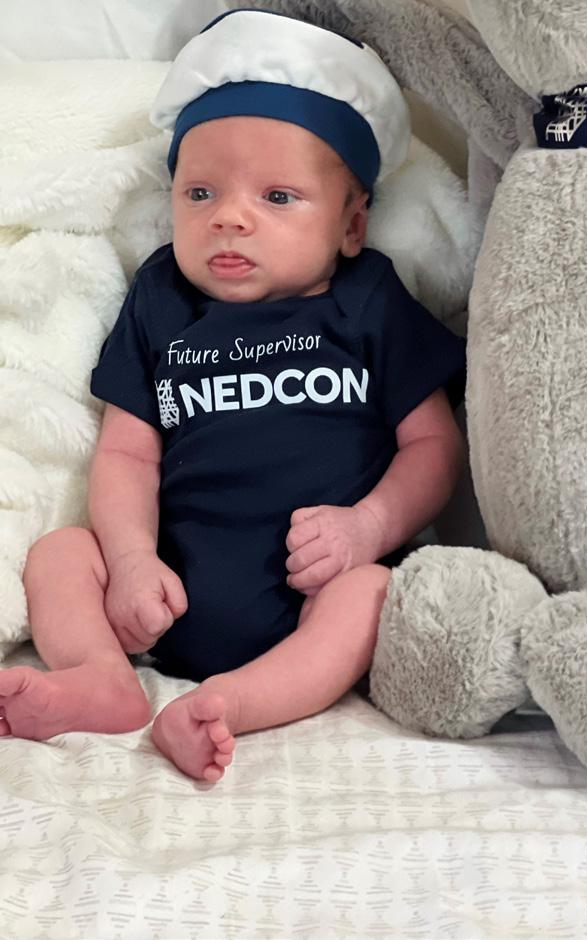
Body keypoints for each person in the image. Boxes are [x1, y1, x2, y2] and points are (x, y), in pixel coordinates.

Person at [0, 10, 466, 783]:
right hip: (163, 594)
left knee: (373, 593)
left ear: (352, 225)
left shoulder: (370, 302)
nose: (229, 217)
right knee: (60, 553)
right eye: (200, 192)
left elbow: (435, 445)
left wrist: (368, 526)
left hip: (313, 590)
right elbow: (126, 452)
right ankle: (102, 676)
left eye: (277, 196)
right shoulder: (162, 299)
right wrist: (131, 559)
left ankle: (231, 703)